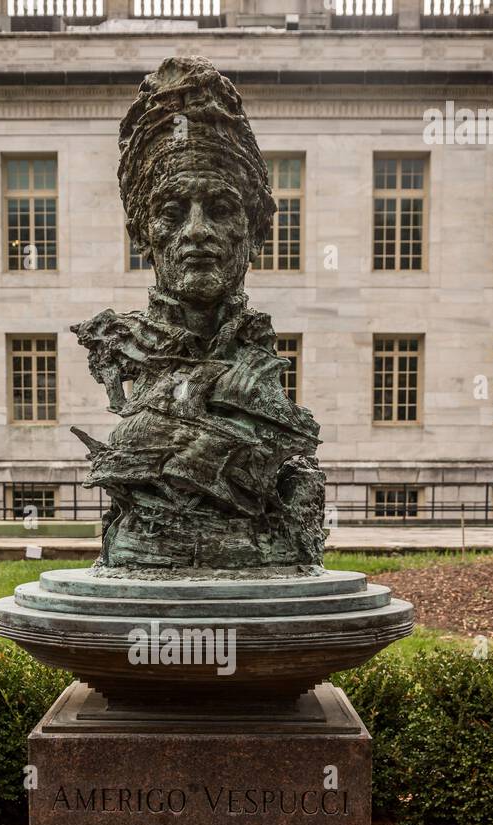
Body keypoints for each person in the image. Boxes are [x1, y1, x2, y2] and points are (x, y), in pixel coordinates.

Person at [71, 56, 325, 572]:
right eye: (172, 212)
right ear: (142, 233)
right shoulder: (122, 353)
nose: (196, 233)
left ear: (255, 232)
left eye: (221, 208)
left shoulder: (264, 374)